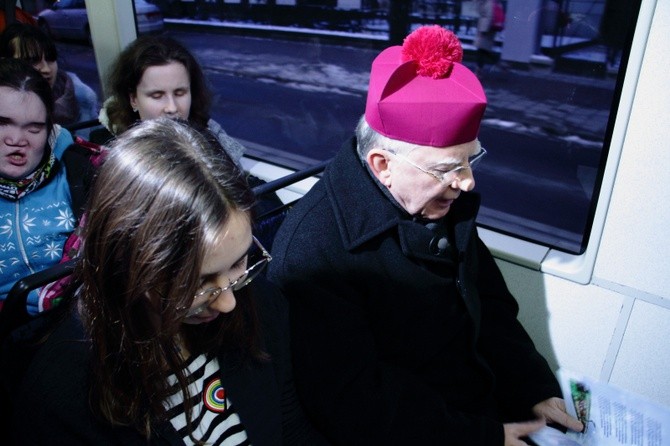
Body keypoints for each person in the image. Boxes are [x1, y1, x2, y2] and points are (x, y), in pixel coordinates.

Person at [266, 26, 584, 445]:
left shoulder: (443, 203)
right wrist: (484, 437)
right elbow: (357, 404)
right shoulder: (314, 254)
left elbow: (488, 306)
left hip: (475, 410)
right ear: (382, 165)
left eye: (471, 160)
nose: (467, 182)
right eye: (447, 168)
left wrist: (533, 388)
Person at [5, 117, 328, 445]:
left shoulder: (260, 305)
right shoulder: (64, 396)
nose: (228, 301)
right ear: (128, 266)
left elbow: (290, 428)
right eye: (198, 282)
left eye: (238, 262)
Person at [0, 58, 93, 314]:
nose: (16, 140)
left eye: (34, 128)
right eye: (2, 123)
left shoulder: (78, 173)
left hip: (74, 316)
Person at [91, 35, 245, 164]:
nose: (172, 108)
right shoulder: (109, 152)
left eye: (180, 93)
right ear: (133, 99)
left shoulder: (212, 136)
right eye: (157, 96)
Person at [0, 23, 99, 127]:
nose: (46, 69)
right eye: (33, 61)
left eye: (50, 58)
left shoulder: (83, 99)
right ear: (6, 64)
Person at [475, 0, 502, 77]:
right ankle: (498, 62)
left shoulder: (489, 2)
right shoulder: (489, 2)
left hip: (486, 30)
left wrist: (484, 29)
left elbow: (489, 16)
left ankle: (479, 71)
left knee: (481, 51)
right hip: (486, 29)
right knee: (483, 50)